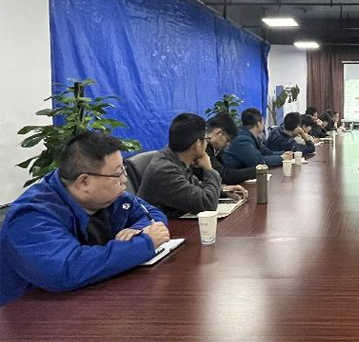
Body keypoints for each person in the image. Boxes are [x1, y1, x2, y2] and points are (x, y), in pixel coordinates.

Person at [0, 131, 170, 306]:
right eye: (117, 174)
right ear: (84, 182)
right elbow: (67, 270)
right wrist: (144, 243)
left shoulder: (110, 198)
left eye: (123, 170)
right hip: (33, 313)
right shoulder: (32, 217)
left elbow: (151, 214)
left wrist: (138, 230)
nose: (124, 180)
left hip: (89, 299)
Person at [138, 113, 248, 218]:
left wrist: (223, 190)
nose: (207, 144)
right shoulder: (165, 170)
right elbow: (207, 206)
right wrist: (209, 169)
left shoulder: (176, 159)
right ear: (197, 144)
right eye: (206, 140)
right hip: (163, 227)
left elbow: (194, 188)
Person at [223, 108, 292, 177]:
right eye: (263, 121)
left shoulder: (252, 136)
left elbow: (268, 152)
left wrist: (284, 153)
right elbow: (259, 162)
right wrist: (282, 158)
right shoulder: (241, 140)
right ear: (258, 124)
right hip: (237, 179)